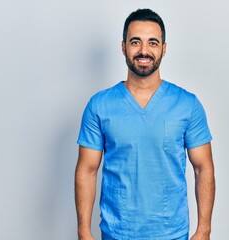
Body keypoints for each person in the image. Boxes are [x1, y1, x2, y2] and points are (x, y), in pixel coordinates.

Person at [75, 8, 215, 240]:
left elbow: (204, 167)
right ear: (123, 47)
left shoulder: (187, 105)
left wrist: (204, 229)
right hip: (117, 232)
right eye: (135, 42)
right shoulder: (99, 106)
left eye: (152, 42)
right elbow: (87, 170)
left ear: (164, 48)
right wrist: (83, 231)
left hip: (171, 233)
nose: (144, 51)